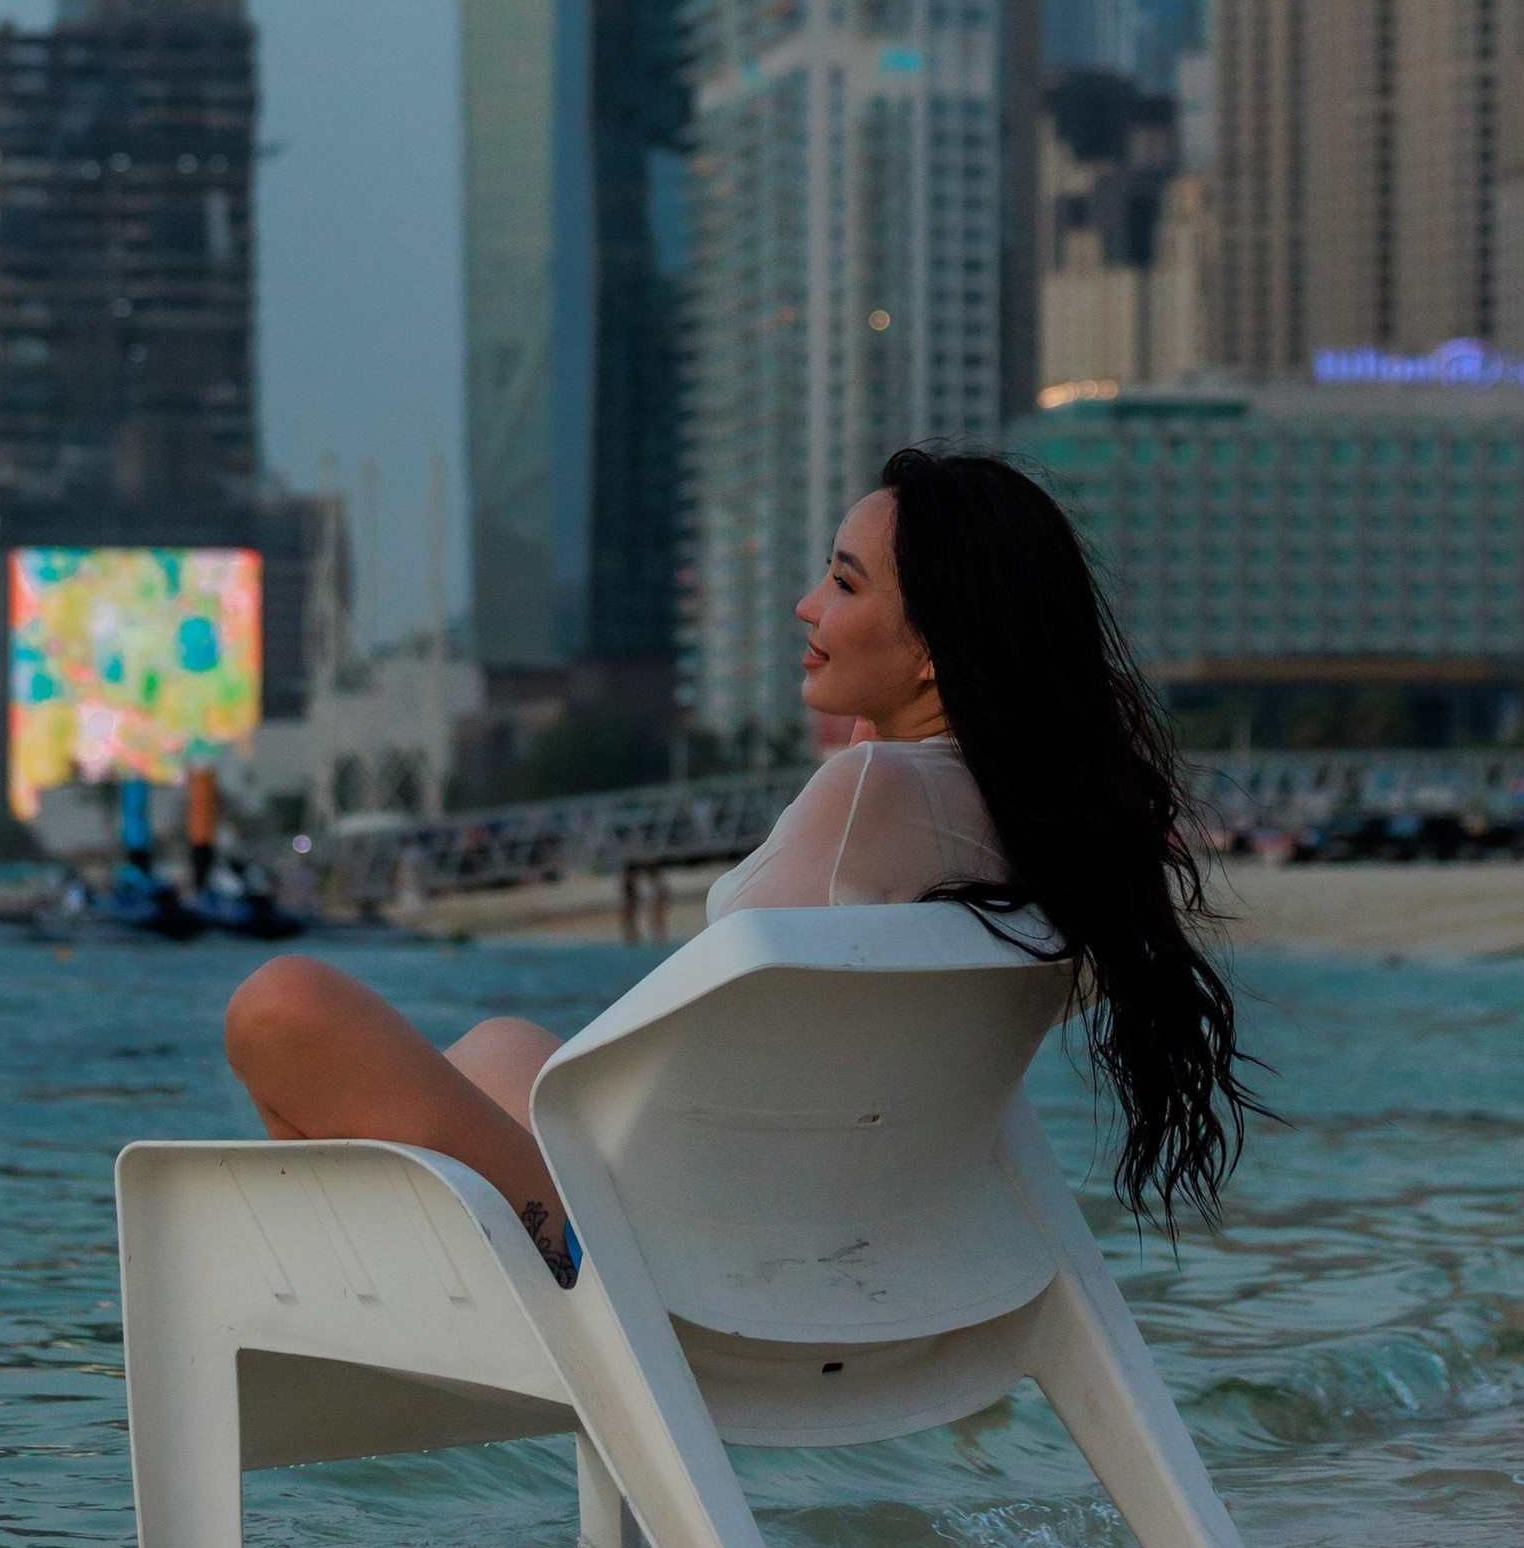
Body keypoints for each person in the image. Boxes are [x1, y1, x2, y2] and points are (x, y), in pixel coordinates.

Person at [223, 447, 1256, 1284]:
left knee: (282, 1007)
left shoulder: (875, 791)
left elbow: (720, 1020)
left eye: (843, 582)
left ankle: (377, 1315)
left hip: (651, 1255)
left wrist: (861, 770)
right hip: (795, 1238)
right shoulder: (1031, 825)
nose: (807, 605)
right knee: (503, 1047)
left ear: (932, 649)